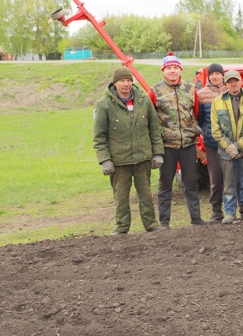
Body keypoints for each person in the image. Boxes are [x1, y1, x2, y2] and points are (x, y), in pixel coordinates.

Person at [93, 66, 167, 234]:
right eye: (122, 81)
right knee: (121, 196)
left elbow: (154, 128)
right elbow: (99, 137)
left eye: (128, 81)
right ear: (115, 83)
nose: (126, 84)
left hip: (143, 158)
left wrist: (157, 153)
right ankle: (122, 227)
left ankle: (151, 224)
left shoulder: (143, 100)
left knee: (146, 194)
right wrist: (105, 160)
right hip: (119, 161)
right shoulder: (104, 104)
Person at [148, 52, 205, 227]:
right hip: (166, 146)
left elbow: (195, 112)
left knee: (191, 182)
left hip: (187, 144)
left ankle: (196, 218)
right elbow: (150, 118)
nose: (172, 71)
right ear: (163, 70)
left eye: (175, 68)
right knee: (165, 184)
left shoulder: (190, 90)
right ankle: (164, 222)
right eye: (169, 68)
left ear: (180, 69)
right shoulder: (154, 91)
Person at [211, 70, 243, 223]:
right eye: (229, 82)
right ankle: (230, 213)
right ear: (225, 84)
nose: (233, 84)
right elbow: (215, 129)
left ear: (241, 81)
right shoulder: (217, 102)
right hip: (226, 152)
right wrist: (230, 147)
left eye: (236, 81)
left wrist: (239, 146)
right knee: (228, 184)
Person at [197, 63, 227, 223]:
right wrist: (208, 132)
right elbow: (200, 119)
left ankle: (237, 209)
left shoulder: (231, 91)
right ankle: (216, 211)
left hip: (230, 144)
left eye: (218, 73)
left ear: (223, 75)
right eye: (212, 74)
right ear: (208, 76)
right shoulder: (201, 95)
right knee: (215, 179)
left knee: (233, 177)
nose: (215, 76)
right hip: (212, 144)